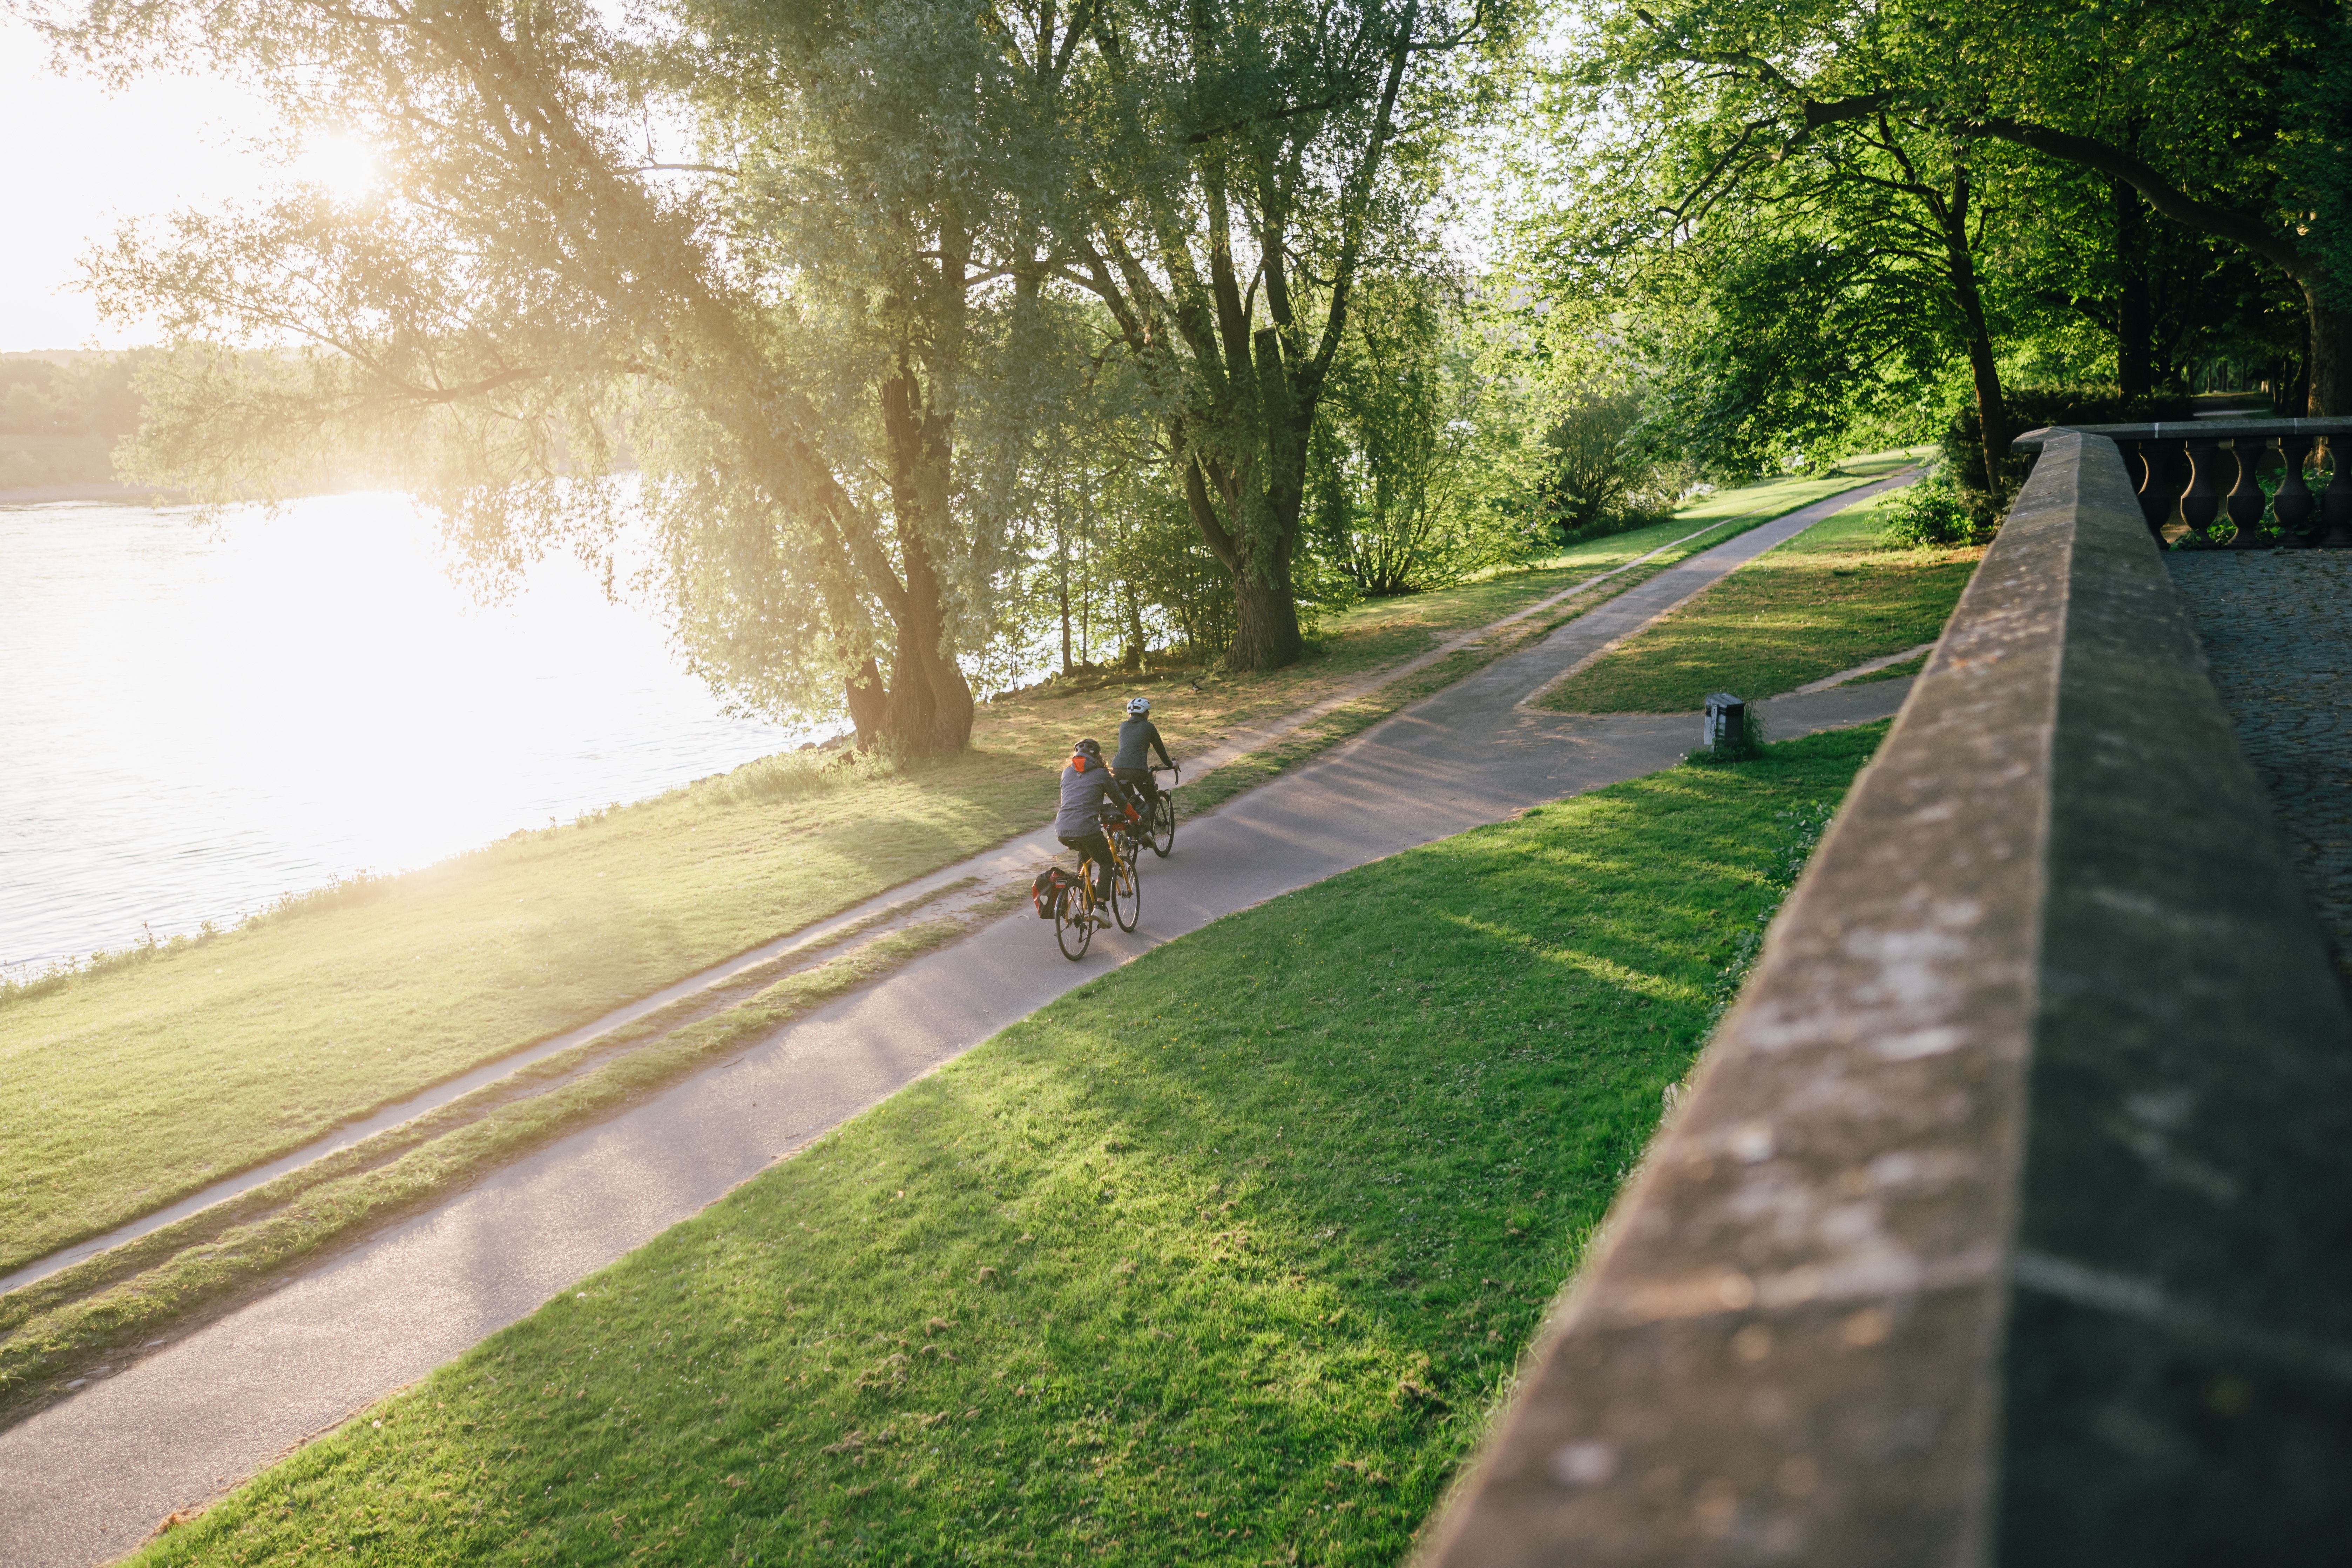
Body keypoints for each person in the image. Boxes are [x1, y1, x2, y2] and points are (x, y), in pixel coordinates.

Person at [1055, 737, 1138, 915]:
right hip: (1086, 828)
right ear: (1098, 756)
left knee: (1085, 854)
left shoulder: (1066, 773)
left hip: (1062, 829)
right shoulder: (1102, 774)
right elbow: (1120, 801)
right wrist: (1134, 818)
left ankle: (1081, 894)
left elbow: (1078, 798)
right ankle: (1100, 908)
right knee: (1107, 862)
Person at [1111, 695, 1174, 811]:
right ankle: (1147, 828)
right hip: (1137, 770)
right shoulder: (1149, 727)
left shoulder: (1123, 726)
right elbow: (1160, 749)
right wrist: (1170, 764)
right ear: (1145, 713)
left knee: (1129, 801)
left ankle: (1133, 825)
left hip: (1116, 769)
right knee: (1152, 799)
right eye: (1148, 712)